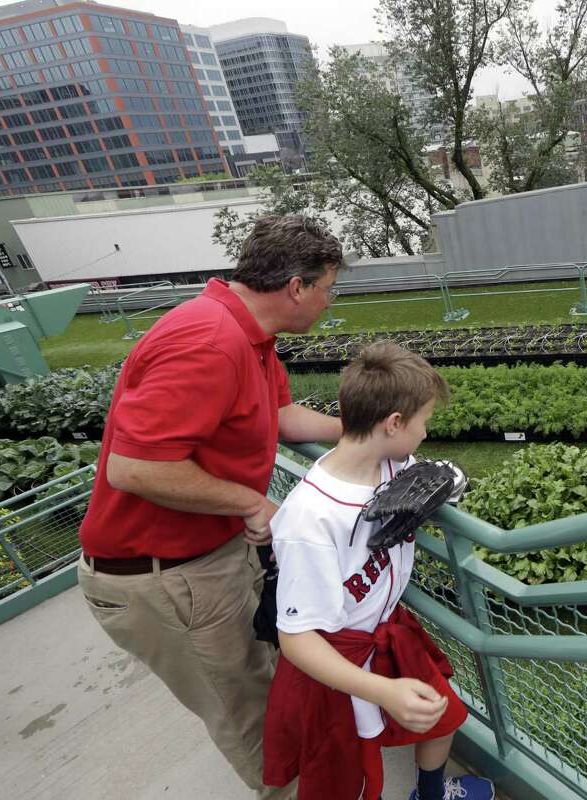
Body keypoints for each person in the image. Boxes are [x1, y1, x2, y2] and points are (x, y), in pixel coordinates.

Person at [77, 215, 346, 798]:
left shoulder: (247, 334)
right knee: (253, 720)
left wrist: (359, 431)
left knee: (271, 688)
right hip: (168, 578)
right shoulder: (209, 341)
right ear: (296, 287)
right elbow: (134, 467)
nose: (330, 300)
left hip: (207, 560)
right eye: (328, 286)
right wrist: (249, 500)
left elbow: (276, 417)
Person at [262, 342, 493, 800]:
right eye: (423, 420)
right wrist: (381, 692)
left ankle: (429, 794)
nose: (426, 432)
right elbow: (297, 638)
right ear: (393, 424)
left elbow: (442, 476)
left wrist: (450, 479)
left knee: (444, 711)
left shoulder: (392, 464)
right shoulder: (309, 518)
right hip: (336, 660)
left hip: (383, 629)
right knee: (350, 778)